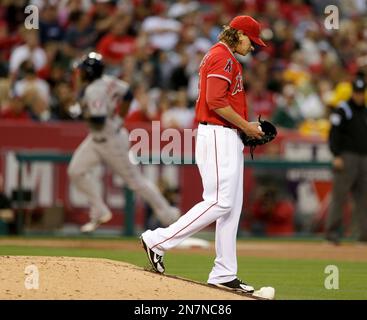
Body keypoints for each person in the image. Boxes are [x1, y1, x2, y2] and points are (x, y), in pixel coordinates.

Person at [141, 15, 265, 294]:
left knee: (231, 208)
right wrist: (246, 126)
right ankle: (158, 240)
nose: (253, 47)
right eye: (252, 40)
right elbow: (215, 101)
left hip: (225, 134)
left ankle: (224, 272)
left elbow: (221, 101)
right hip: (218, 134)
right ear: (240, 35)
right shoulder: (223, 56)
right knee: (220, 202)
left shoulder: (222, 54)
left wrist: (244, 129)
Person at [67, 52, 180, 233]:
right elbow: (127, 93)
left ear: (89, 72)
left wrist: (81, 112)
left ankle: (169, 215)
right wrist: (119, 117)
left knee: (136, 182)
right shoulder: (108, 81)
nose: (79, 73)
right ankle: (99, 210)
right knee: (76, 171)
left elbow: (99, 119)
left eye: (82, 71)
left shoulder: (94, 90)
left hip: (112, 141)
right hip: (97, 140)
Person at [326, 77, 367, 245]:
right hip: (347, 157)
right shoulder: (343, 109)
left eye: (361, 93)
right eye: (356, 92)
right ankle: (332, 234)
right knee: (339, 196)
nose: (358, 96)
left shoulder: (365, 110)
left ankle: (363, 235)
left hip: (364, 158)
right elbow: (334, 134)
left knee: (363, 198)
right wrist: (336, 155)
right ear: (352, 92)